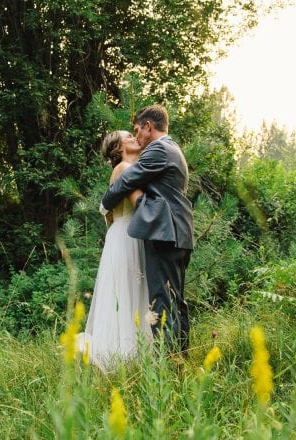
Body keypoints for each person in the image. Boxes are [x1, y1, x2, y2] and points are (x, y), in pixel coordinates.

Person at [101, 105, 194, 353]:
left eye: (136, 131)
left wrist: (104, 204)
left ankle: (169, 363)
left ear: (148, 127)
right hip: (179, 234)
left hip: (165, 233)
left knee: (163, 302)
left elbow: (127, 183)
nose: (136, 136)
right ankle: (179, 359)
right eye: (130, 135)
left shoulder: (157, 150)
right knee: (175, 301)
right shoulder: (172, 147)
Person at [77, 130, 153, 371]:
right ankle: (123, 356)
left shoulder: (134, 167)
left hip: (130, 234)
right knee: (126, 292)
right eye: (128, 136)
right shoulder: (123, 168)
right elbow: (135, 205)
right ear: (118, 149)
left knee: (135, 291)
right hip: (126, 235)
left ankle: (135, 355)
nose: (134, 137)